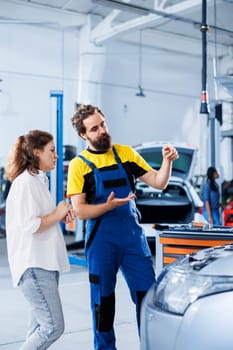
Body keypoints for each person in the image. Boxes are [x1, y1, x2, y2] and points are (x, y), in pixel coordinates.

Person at [66, 104, 179, 350]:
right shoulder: (79, 165)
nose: (102, 131)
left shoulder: (126, 154)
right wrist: (107, 206)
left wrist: (167, 161)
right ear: (84, 135)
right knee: (103, 304)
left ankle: (152, 345)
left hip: (132, 238)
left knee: (147, 297)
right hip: (101, 241)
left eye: (103, 124)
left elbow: (159, 182)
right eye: (94, 129)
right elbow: (81, 210)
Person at [5, 130, 73, 349]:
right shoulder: (25, 183)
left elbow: (42, 219)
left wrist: (59, 215)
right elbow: (31, 225)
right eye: (52, 151)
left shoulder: (38, 180)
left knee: (37, 330)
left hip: (44, 264)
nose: (56, 156)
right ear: (36, 152)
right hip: (35, 266)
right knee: (52, 326)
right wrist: (57, 213)